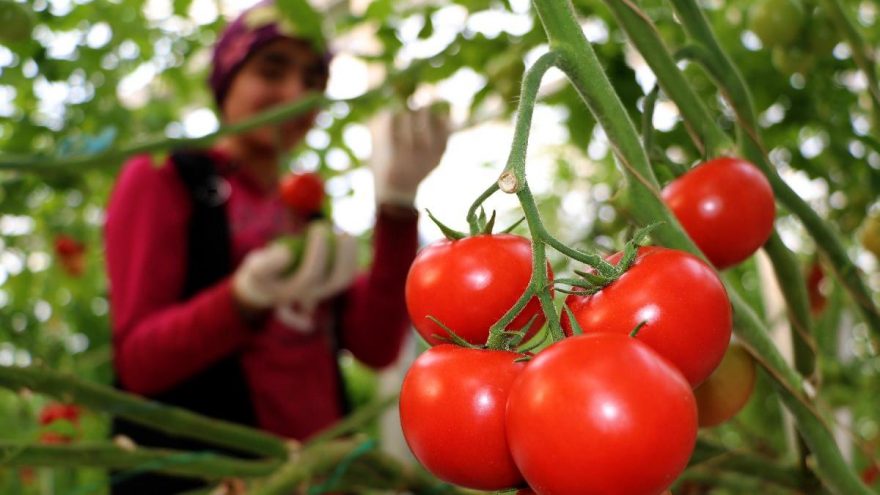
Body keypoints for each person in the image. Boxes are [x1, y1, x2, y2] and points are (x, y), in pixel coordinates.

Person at [103, 2, 449, 493]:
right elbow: (139, 363)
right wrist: (239, 301)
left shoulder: (304, 212)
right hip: (217, 479)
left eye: (313, 80)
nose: (296, 94)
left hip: (322, 475)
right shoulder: (165, 176)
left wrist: (396, 209)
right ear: (228, 80)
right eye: (272, 70)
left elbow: (372, 344)